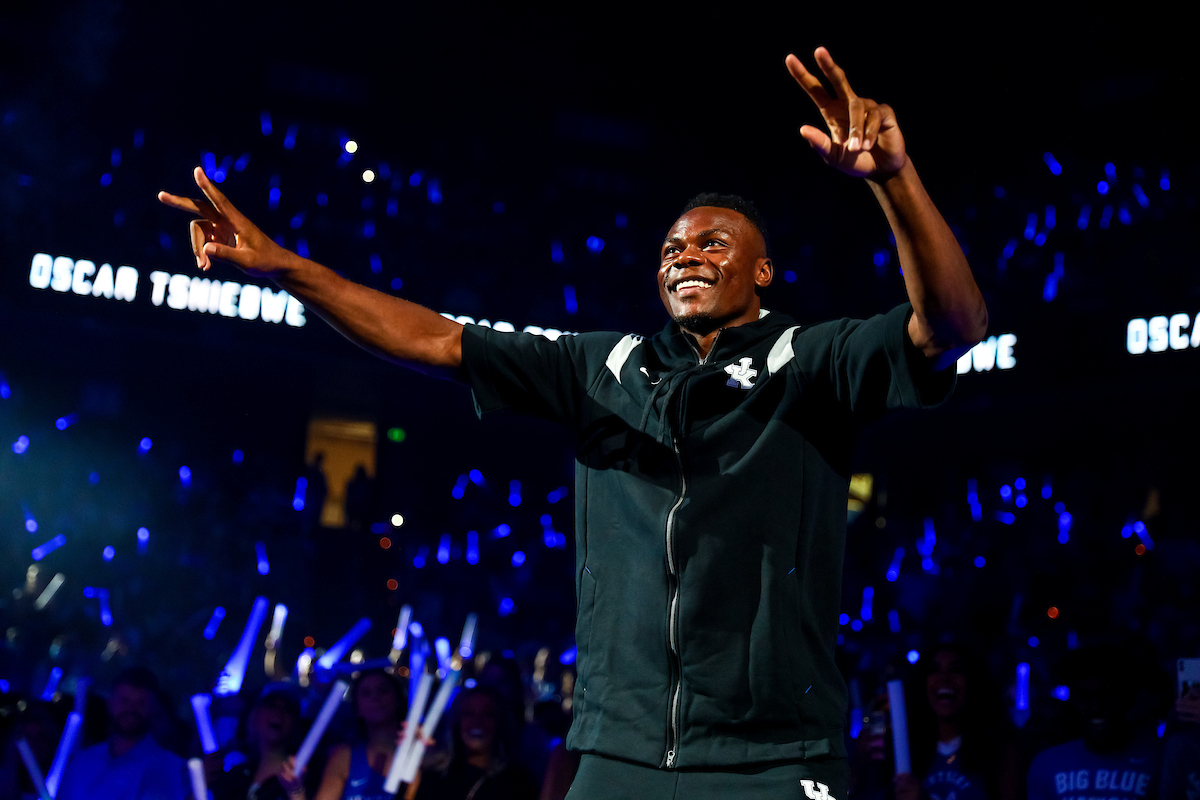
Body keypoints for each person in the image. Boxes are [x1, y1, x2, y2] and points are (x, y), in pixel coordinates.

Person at [160, 47, 987, 800]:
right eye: (672, 245)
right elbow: (438, 338)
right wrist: (289, 271)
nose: (685, 252)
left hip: (775, 757)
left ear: (763, 272)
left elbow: (954, 326)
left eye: (713, 242)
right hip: (618, 753)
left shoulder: (816, 359)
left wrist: (894, 179)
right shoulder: (600, 365)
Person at [1027, 647, 1163, 800]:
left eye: (1107, 696)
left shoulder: (1161, 762)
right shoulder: (1046, 765)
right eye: (1085, 697)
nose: (1095, 707)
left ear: (1128, 698)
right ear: (1072, 700)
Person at [894, 645, 1021, 800]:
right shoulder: (908, 749)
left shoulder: (1001, 750)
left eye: (956, 670)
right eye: (934, 670)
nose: (944, 678)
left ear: (974, 682)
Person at [57, 666, 186, 800]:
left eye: (140, 703)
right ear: (110, 703)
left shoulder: (171, 769)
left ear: (153, 708)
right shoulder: (81, 762)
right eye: (125, 701)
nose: (131, 709)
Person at [414, 686, 537, 800]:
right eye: (469, 713)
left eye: (488, 714)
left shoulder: (517, 783)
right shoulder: (434, 777)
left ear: (500, 722)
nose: (477, 721)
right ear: (457, 721)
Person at [310, 669, 406, 800]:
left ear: (398, 699)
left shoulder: (421, 753)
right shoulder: (344, 757)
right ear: (357, 709)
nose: (375, 698)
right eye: (366, 693)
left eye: (383, 690)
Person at [210, 682, 305, 800]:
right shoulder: (236, 775)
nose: (278, 713)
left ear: (295, 723)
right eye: (271, 705)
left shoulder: (303, 777)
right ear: (254, 715)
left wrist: (296, 793)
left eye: (288, 709)